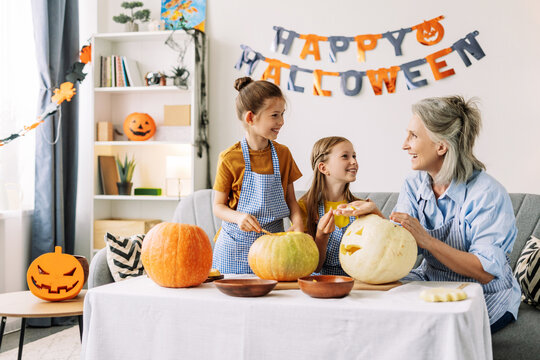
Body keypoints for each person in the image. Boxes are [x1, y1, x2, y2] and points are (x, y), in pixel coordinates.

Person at [337, 96, 520, 333]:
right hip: (432, 281)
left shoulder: (487, 193)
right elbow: (402, 246)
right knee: (371, 312)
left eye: (413, 136)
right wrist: (377, 215)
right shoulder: (414, 184)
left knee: (434, 333)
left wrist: (428, 241)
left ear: (441, 146)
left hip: (485, 292)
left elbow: (484, 272)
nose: (405, 145)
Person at [212, 77, 304, 274]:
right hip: (235, 248)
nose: (281, 121)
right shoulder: (230, 158)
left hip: (274, 249)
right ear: (251, 118)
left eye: (282, 114)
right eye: (275, 115)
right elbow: (218, 207)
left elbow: (291, 202)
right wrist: (238, 217)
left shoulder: (283, 154)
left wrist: (298, 224)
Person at [298, 136, 381, 275]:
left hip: (359, 281)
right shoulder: (304, 207)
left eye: (354, 156)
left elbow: (386, 246)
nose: (354, 161)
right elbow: (313, 268)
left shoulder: (362, 207)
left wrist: (375, 210)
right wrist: (321, 237)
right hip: (321, 283)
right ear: (323, 168)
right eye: (345, 156)